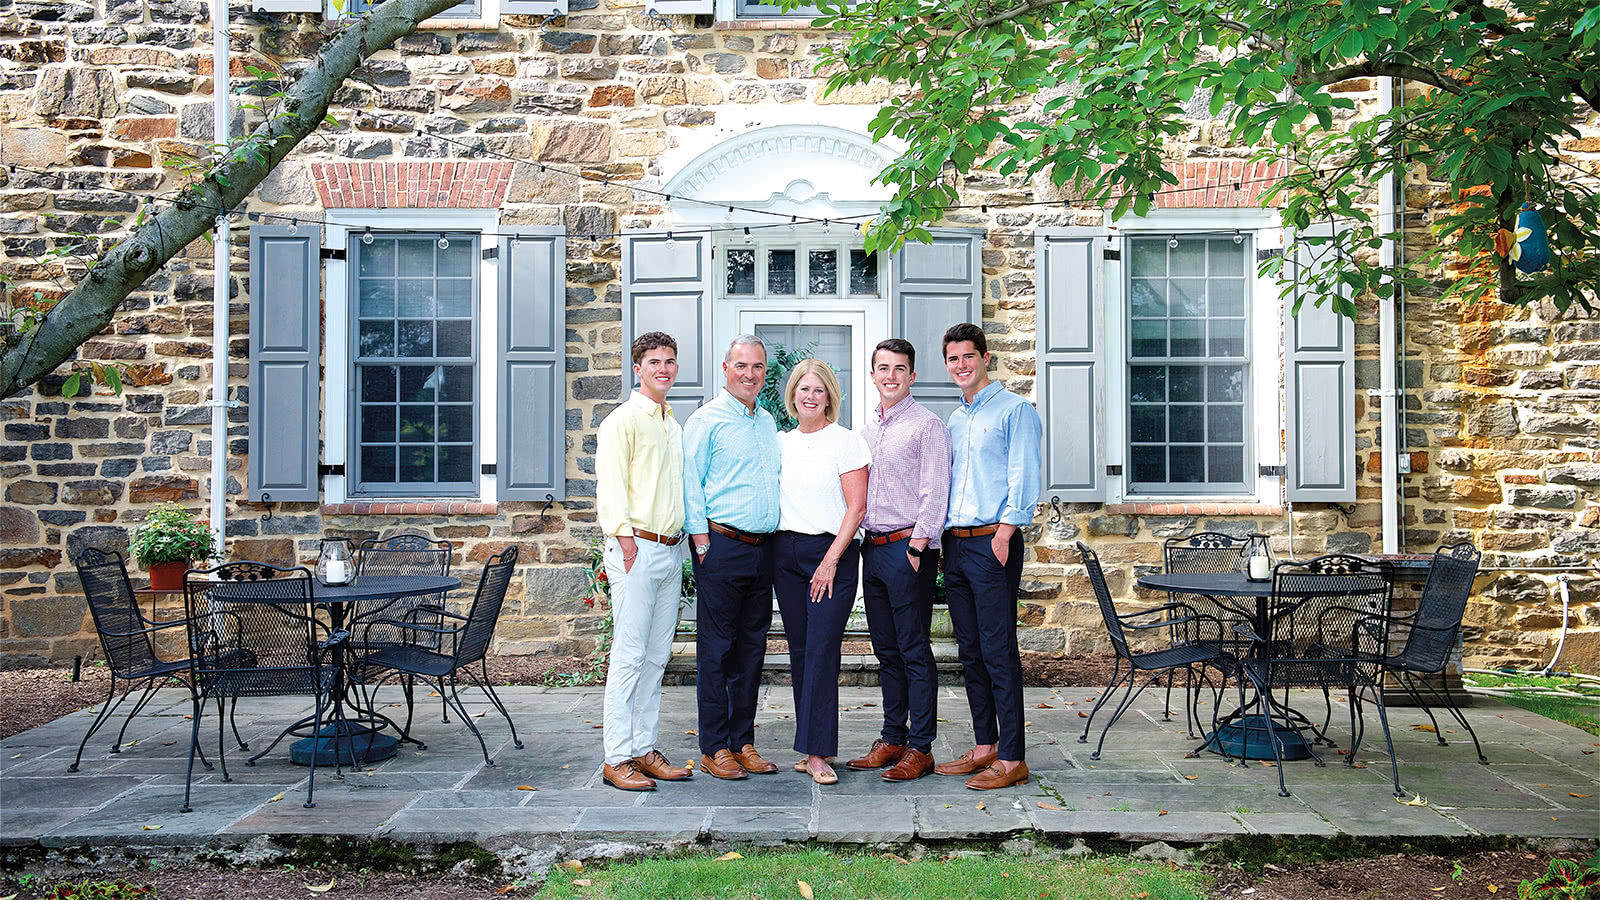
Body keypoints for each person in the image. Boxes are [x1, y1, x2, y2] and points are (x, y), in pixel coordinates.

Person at [935, 322, 1043, 790]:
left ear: (985, 358)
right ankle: (985, 746)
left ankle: (1014, 755)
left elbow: (1023, 472)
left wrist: (1005, 532)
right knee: (971, 650)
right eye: (953, 359)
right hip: (955, 544)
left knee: (998, 650)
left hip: (991, 541)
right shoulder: (954, 419)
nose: (961, 365)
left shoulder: (1015, 410)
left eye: (968, 357)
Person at [846, 338, 950, 783]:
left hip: (909, 550)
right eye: (883, 368)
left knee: (913, 650)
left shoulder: (928, 426)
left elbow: (935, 490)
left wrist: (918, 545)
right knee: (886, 650)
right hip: (874, 546)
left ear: (912, 375)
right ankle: (892, 736)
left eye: (899, 368)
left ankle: (920, 747)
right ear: (872, 375)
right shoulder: (865, 431)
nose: (890, 376)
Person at [595, 332, 694, 792]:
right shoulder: (623, 421)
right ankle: (616, 757)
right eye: (654, 361)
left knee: (656, 657)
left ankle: (642, 747)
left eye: (670, 361)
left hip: (670, 550)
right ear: (637, 368)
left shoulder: (672, 423)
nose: (663, 369)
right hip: (636, 548)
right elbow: (610, 486)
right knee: (630, 655)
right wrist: (626, 541)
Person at [683, 335, 782, 780]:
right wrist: (702, 544)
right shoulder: (706, 420)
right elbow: (691, 484)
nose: (750, 374)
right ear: (726, 368)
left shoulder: (766, 422)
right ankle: (714, 746)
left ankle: (743, 742)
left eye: (757, 367)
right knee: (717, 651)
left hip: (763, 551)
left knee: (751, 651)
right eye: (741, 366)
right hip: (720, 547)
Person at [773, 359, 870, 785]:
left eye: (818, 390)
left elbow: (857, 507)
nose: (809, 396)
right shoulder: (779, 442)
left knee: (822, 649)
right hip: (785, 552)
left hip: (832, 554)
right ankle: (811, 743)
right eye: (802, 389)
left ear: (830, 395)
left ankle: (816, 753)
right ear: (792, 395)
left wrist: (830, 560)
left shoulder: (846, 442)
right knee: (799, 651)